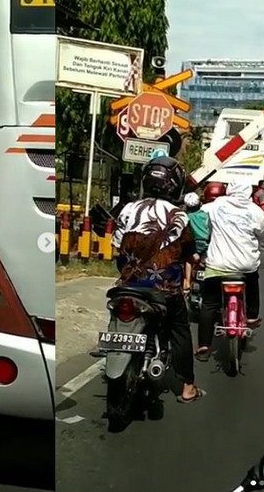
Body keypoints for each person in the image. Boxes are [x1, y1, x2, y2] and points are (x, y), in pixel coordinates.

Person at [111, 156, 206, 404]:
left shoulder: (128, 209)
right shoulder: (178, 216)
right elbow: (189, 252)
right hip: (164, 290)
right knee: (180, 328)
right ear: (174, 184)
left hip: (128, 285)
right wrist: (195, 258)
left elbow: (115, 246)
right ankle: (187, 388)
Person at [195, 181, 264, 360]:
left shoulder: (215, 206)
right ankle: (252, 316)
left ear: (229, 191)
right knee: (253, 280)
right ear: (248, 193)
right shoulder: (256, 211)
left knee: (209, 304)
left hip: (217, 266)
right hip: (245, 266)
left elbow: (198, 217)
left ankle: (204, 344)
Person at [181, 192, 210, 295]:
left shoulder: (186, 217)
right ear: (200, 204)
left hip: (193, 244)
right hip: (207, 244)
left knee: (188, 260)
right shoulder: (206, 215)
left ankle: (187, 282)